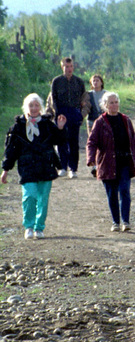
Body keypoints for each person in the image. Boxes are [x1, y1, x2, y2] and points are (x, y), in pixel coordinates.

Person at [1, 94, 67, 239]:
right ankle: (29, 227)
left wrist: (61, 128)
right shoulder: (18, 126)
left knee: (43, 199)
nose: (34, 108)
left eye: (37, 105)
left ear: (41, 107)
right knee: (30, 196)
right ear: (26, 108)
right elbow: (11, 150)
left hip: (46, 166)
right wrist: (5, 170)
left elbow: (60, 141)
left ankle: (39, 228)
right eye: (31, 105)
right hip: (27, 167)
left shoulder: (47, 124)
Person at [86, 92, 135, 232]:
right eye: (111, 102)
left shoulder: (125, 120)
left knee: (124, 191)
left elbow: (134, 141)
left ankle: (126, 221)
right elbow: (91, 142)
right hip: (107, 163)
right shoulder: (100, 122)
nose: (114, 105)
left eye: (116, 102)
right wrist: (91, 160)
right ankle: (115, 222)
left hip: (124, 161)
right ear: (105, 105)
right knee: (112, 194)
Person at [47, 57, 89, 179]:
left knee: (73, 142)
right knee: (61, 141)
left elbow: (83, 98)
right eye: (66, 66)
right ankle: (62, 166)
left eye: (70, 66)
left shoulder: (79, 81)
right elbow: (53, 98)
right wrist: (55, 113)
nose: (69, 69)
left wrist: (81, 115)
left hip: (74, 112)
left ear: (73, 67)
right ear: (62, 67)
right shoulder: (57, 81)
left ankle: (73, 168)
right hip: (61, 112)